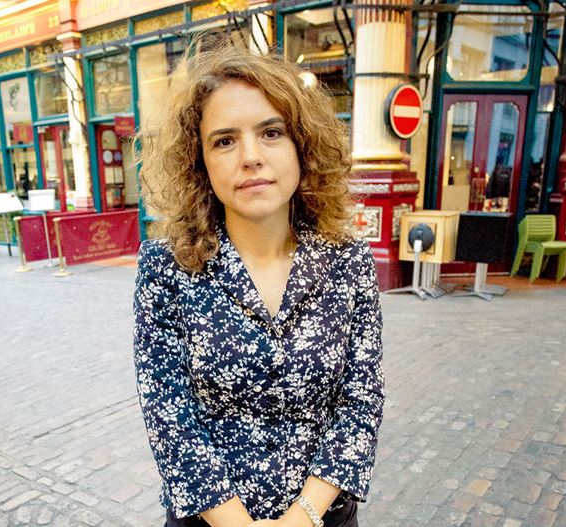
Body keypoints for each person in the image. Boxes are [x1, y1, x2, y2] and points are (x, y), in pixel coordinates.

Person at [133, 41, 384, 527]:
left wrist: (301, 517)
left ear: (301, 147)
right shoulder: (166, 267)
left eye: (271, 132)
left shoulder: (348, 261)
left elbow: (361, 397)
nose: (250, 157)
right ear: (200, 161)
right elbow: (168, 412)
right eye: (224, 141)